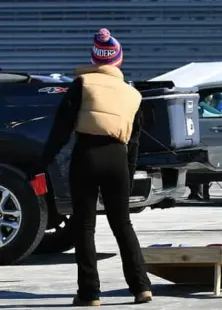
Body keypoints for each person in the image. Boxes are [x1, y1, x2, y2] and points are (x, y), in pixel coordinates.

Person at [33, 28, 152, 306]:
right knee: (122, 224)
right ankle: (141, 287)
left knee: (84, 226)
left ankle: (90, 293)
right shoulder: (132, 94)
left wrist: (43, 161)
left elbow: (62, 128)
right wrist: (128, 173)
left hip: (86, 155)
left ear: (94, 59)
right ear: (118, 60)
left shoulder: (82, 83)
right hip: (117, 158)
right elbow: (134, 142)